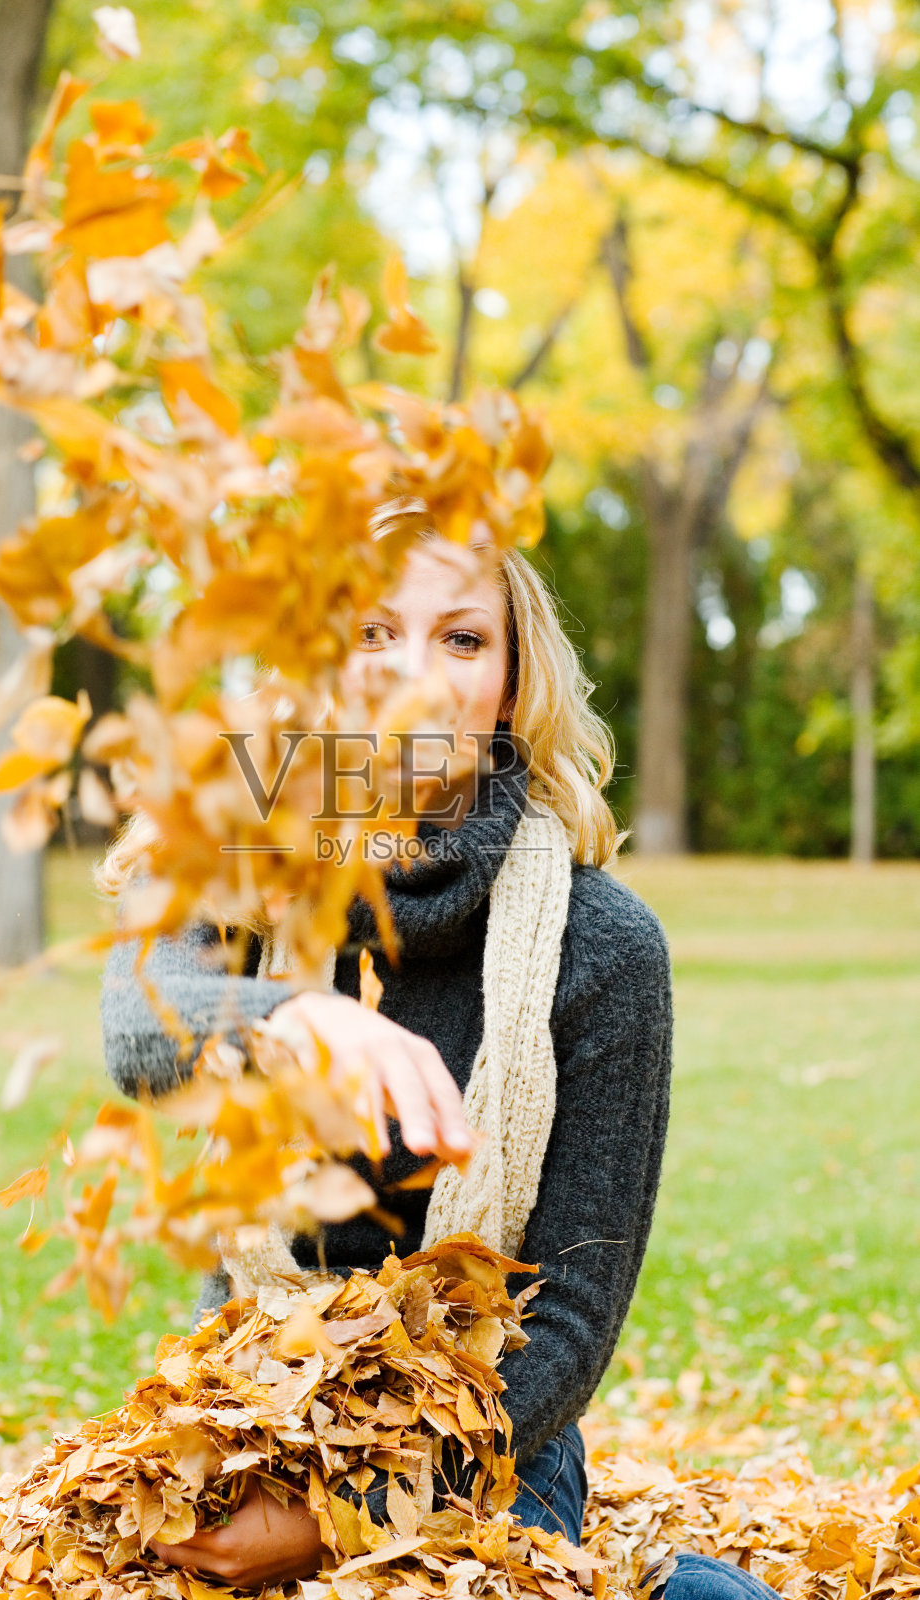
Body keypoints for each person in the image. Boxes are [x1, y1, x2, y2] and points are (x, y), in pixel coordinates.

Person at [100, 506, 776, 1600]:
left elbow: (562, 1328)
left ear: (510, 685)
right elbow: (139, 1031)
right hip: (243, 1428)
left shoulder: (599, 949)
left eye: (460, 639)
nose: (411, 675)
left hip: (486, 1459)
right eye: (371, 632)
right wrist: (286, 1016)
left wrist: (335, 1520)